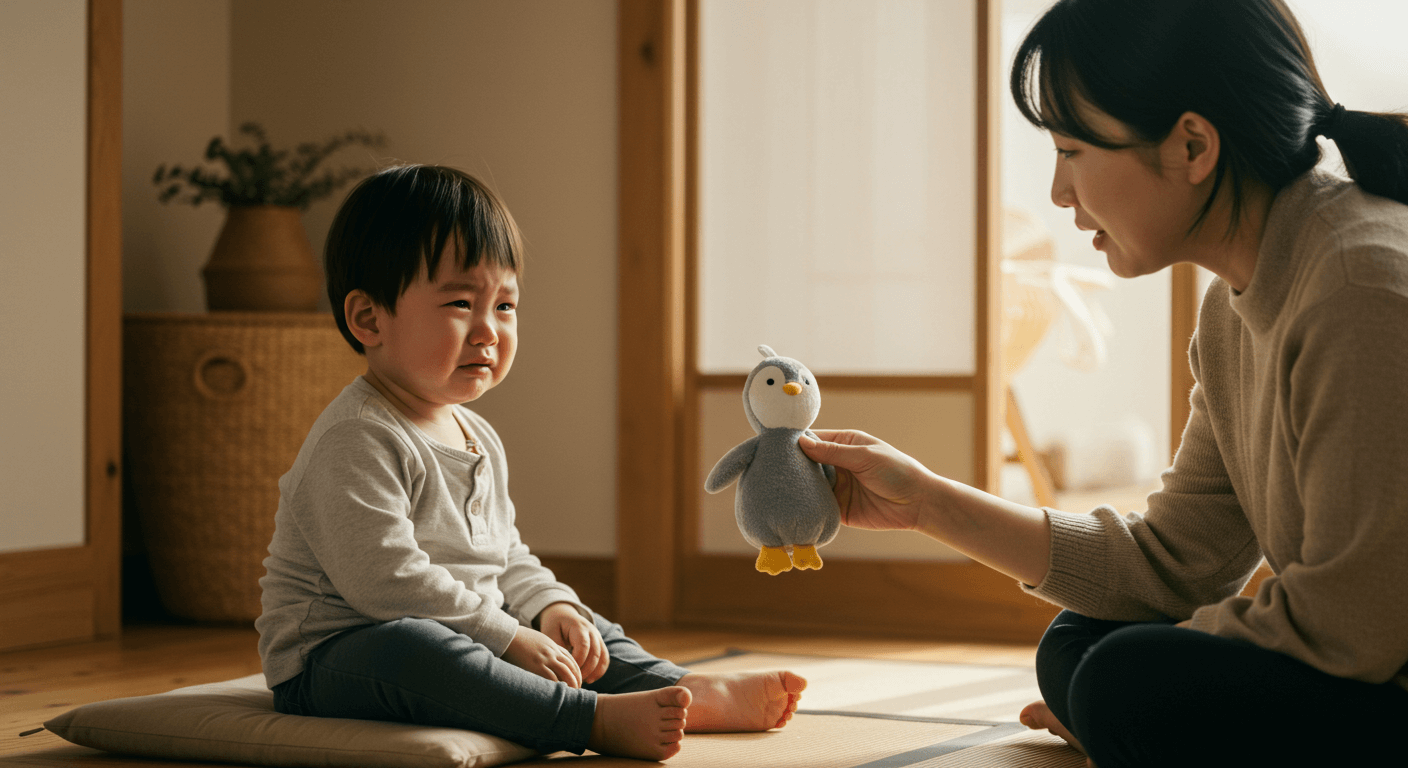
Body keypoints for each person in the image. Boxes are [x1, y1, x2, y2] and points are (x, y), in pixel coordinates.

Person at [801, 0, 1408, 765]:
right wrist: (924, 501)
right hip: (1358, 659)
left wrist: (1139, 680)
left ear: (1192, 145)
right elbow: (1174, 561)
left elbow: (1358, 624)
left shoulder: (1359, 291)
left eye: (1071, 150)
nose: (1059, 192)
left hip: (1380, 673)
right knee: (1080, 644)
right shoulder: (1233, 309)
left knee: (1120, 677)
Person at [256, 164, 805, 761]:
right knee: (417, 651)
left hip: (465, 625)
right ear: (369, 319)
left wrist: (549, 608)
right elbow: (385, 583)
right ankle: (585, 722)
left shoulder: (476, 434)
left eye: (507, 305)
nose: (489, 331)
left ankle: (679, 685)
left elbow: (505, 554)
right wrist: (505, 634)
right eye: (462, 302)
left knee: (581, 628)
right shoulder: (357, 438)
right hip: (340, 654)